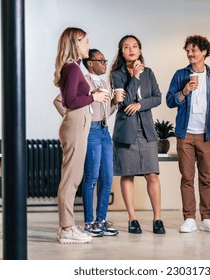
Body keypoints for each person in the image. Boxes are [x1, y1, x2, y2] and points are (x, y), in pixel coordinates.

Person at [166, 35, 210, 233]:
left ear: (204, 52)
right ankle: (190, 218)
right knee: (186, 177)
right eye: (188, 50)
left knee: (206, 177)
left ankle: (207, 218)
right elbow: (169, 101)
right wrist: (184, 92)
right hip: (185, 134)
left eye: (194, 50)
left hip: (207, 134)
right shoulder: (180, 75)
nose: (190, 53)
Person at [54, 27, 110, 244]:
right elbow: (69, 101)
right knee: (71, 179)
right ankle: (66, 229)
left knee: (73, 178)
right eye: (85, 41)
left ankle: (68, 226)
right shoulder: (74, 69)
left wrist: (92, 97)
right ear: (75, 43)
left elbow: (70, 100)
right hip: (76, 124)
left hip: (78, 123)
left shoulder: (72, 68)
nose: (88, 45)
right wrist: (93, 97)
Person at [109, 35, 165, 234]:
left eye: (134, 46)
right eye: (126, 47)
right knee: (128, 174)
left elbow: (158, 97)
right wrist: (135, 78)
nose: (131, 50)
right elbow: (123, 102)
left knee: (152, 174)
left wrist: (141, 105)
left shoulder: (149, 73)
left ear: (140, 50)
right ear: (121, 52)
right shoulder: (117, 74)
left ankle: (157, 218)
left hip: (147, 130)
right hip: (126, 130)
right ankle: (133, 218)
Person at [80, 49, 124, 237]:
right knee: (91, 178)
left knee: (107, 178)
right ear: (90, 63)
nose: (105, 63)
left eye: (105, 60)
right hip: (91, 131)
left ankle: (101, 220)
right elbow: (62, 101)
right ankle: (89, 223)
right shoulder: (83, 81)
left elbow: (105, 112)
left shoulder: (104, 82)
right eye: (101, 60)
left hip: (105, 131)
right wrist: (76, 122)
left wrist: (115, 102)